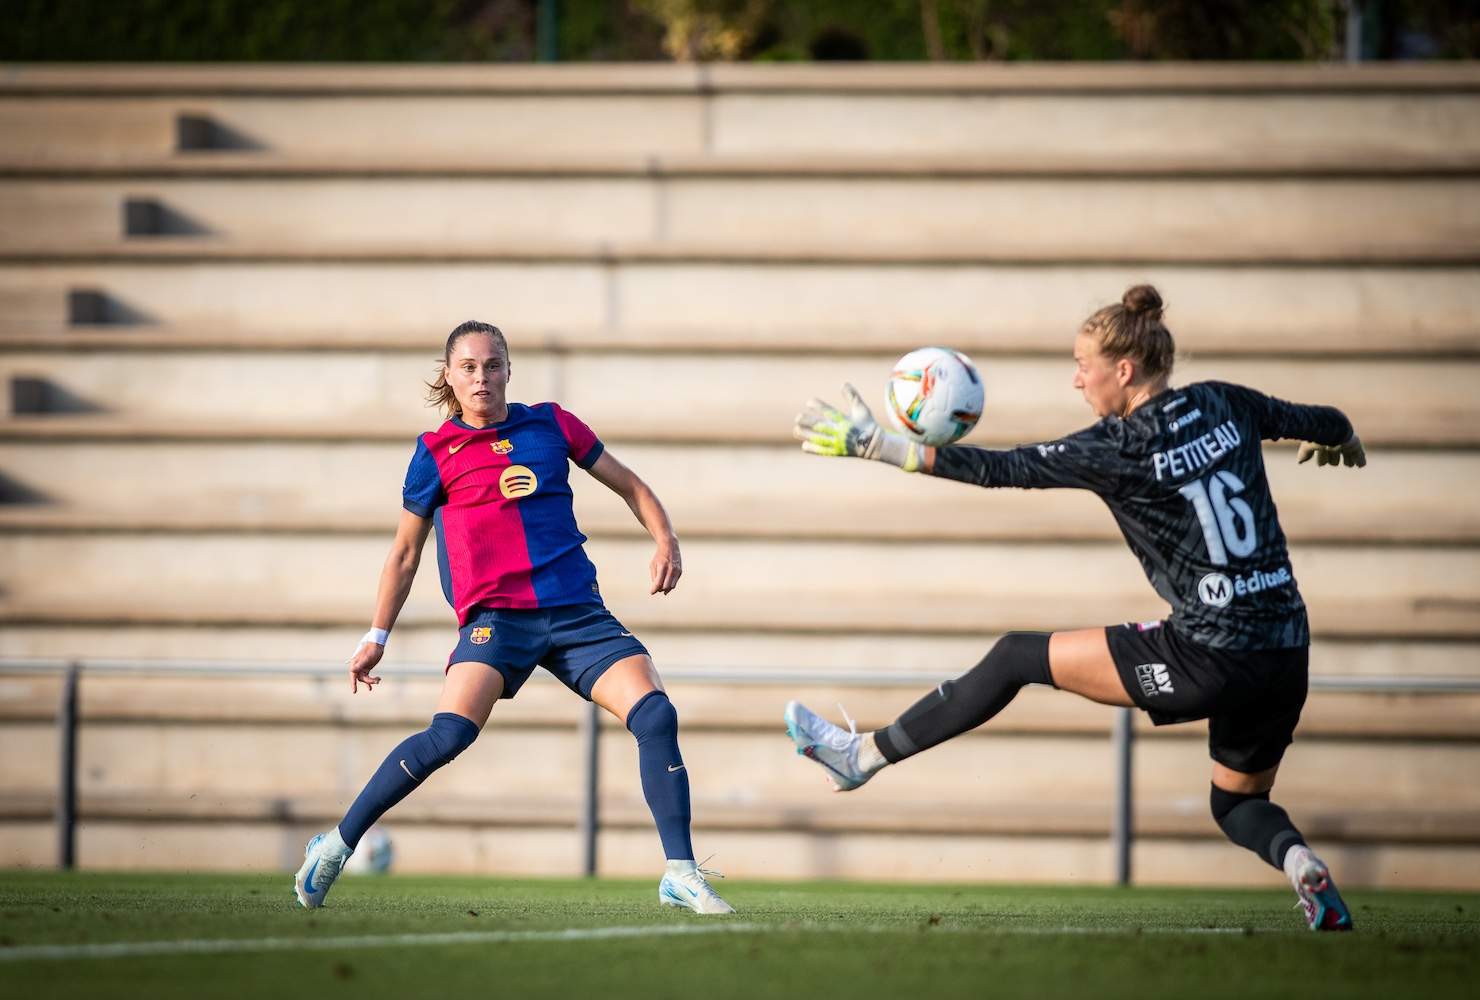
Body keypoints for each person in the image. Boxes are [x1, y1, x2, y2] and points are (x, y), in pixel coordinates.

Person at [786, 285, 1363, 932]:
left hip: (1210, 653)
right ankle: (1300, 864)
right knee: (1236, 805)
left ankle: (861, 757)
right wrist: (1342, 440)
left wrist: (882, 448)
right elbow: (1329, 421)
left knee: (1015, 656)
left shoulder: (1117, 446)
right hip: (1285, 649)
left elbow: (1005, 470)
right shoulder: (1226, 401)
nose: (1076, 380)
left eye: (1083, 366)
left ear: (1124, 370)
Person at [294, 320, 732, 914]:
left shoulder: (551, 424)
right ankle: (337, 845)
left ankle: (680, 873)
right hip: (496, 621)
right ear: (449, 375)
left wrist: (666, 541)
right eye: (469, 366)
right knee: (449, 734)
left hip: (577, 614)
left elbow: (629, 484)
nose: (482, 376)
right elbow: (404, 553)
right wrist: (377, 635)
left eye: (493, 364)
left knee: (655, 714)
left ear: (508, 370)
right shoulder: (434, 453)